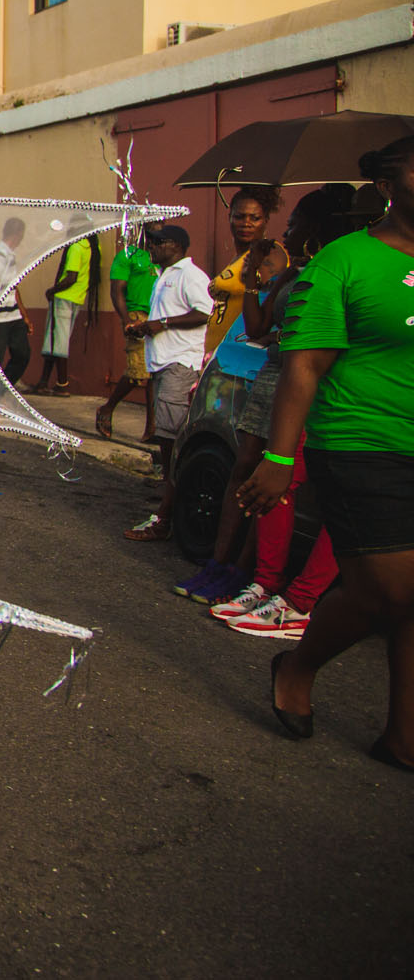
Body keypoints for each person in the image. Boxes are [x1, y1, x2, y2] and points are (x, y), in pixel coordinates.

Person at [245, 136, 414, 769]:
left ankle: (403, 736)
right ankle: (298, 664)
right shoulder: (344, 261)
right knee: (389, 588)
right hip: (361, 442)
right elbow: (304, 365)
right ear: (388, 187)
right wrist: (279, 459)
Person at [179, 193, 336, 603]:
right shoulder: (294, 271)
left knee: (272, 479)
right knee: (245, 467)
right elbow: (256, 326)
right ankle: (219, 564)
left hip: (303, 379)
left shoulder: (332, 270)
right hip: (272, 375)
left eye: (295, 223)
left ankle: (247, 573)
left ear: (314, 228)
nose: (287, 231)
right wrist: (252, 277)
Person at [122, 225, 211, 541]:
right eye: (151, 242)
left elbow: (205, 312)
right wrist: (145, 327)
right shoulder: (163, 275)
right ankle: (169, 510)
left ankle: (166, 518)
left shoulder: (190, 275)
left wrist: (163, 324)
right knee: (167, 442)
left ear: (177, 245)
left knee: (173, 444)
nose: (152, 247)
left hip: (180, 364)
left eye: (158, 242)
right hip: (162, 364)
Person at [98, 226, 161, 441]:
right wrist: (127, 320)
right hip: (136, 314)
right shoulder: (128, 255)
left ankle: (151, 428)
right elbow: (116, 290)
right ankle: (107, 408)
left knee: (153, 372)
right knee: (137, 373)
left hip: (157, 315)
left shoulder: (160, 256)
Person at [207, 186, 283, 356]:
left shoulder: (268, 254)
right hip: (221, 353)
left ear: (266, 220)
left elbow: (267, 307)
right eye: (239, 217)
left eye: (254, 218)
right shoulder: (240, 256)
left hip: (243, 354)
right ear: (229, 217)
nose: (246, 223)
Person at [28, 220, 97, 396]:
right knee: (54, 340)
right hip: (77, 298)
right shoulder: (90, 246)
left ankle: (62, 383)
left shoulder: (75, 246)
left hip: (64, 297)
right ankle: (44, 382)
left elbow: (71, 277)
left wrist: (52, 290)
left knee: (58, 342)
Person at [0, 216, 31, 384]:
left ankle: (1, 387)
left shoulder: (10, 255)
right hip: (0, 316)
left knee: (23, 354)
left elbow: (13, 287)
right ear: (19, 234)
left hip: (13, 314)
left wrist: (23, 314)